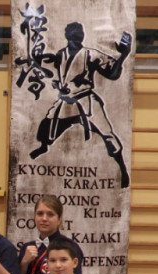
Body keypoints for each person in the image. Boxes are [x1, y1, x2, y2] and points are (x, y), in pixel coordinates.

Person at [28, 22, 132, 188]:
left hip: (86, 99)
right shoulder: (60, 55)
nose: (77, 35)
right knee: (47, 124)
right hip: (66, 100)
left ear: (82, 35)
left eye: (79, 32)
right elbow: (44, 65)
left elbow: (112, 74)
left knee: (107, 134)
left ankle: (122, 169)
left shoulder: (91, 54)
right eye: (73, 32)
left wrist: (123, 56)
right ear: (66, 35)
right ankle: (44, 146)